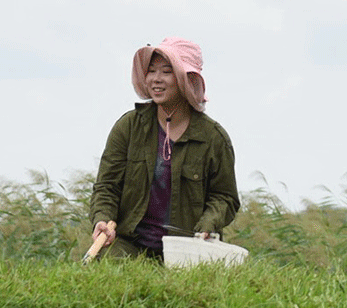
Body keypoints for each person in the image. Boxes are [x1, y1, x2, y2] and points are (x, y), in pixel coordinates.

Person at [89, 37, 239, 261]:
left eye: (167, 72)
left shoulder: (213, 138)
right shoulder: (128, 127)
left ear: (187, 80)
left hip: (188, 250)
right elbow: (107, 187)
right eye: (151, 71)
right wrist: (102, 218)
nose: (156, 80)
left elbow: (225, 197)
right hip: (130, 245)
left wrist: (208, 225)